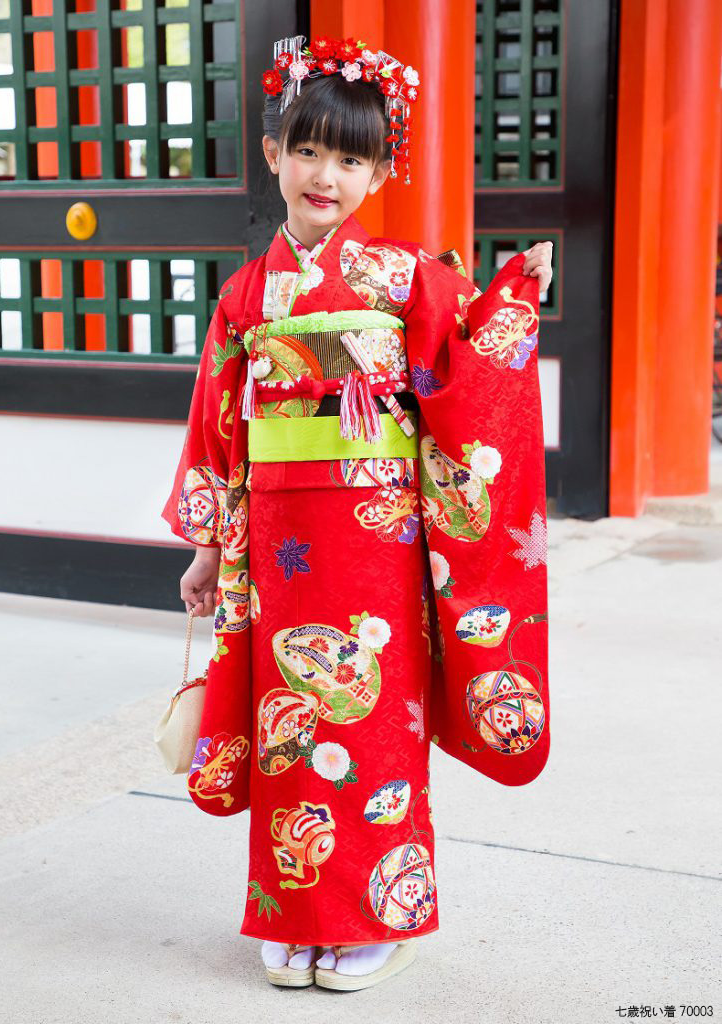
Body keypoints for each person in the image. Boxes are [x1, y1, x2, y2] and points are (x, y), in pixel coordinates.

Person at [160, 34, 553, 992]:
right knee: (288, 720)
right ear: (272, 156)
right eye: (306, 150)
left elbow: (469, 376)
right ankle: (294, 910)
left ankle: (378, 907)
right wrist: (212, 546)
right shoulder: (244, 296)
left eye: (348, 157)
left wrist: (505, 307)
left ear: (379, 171)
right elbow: (220, 424)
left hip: (376, 539)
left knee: (371, 718)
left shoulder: (406, 276)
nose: (322, 175)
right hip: (277, 539)